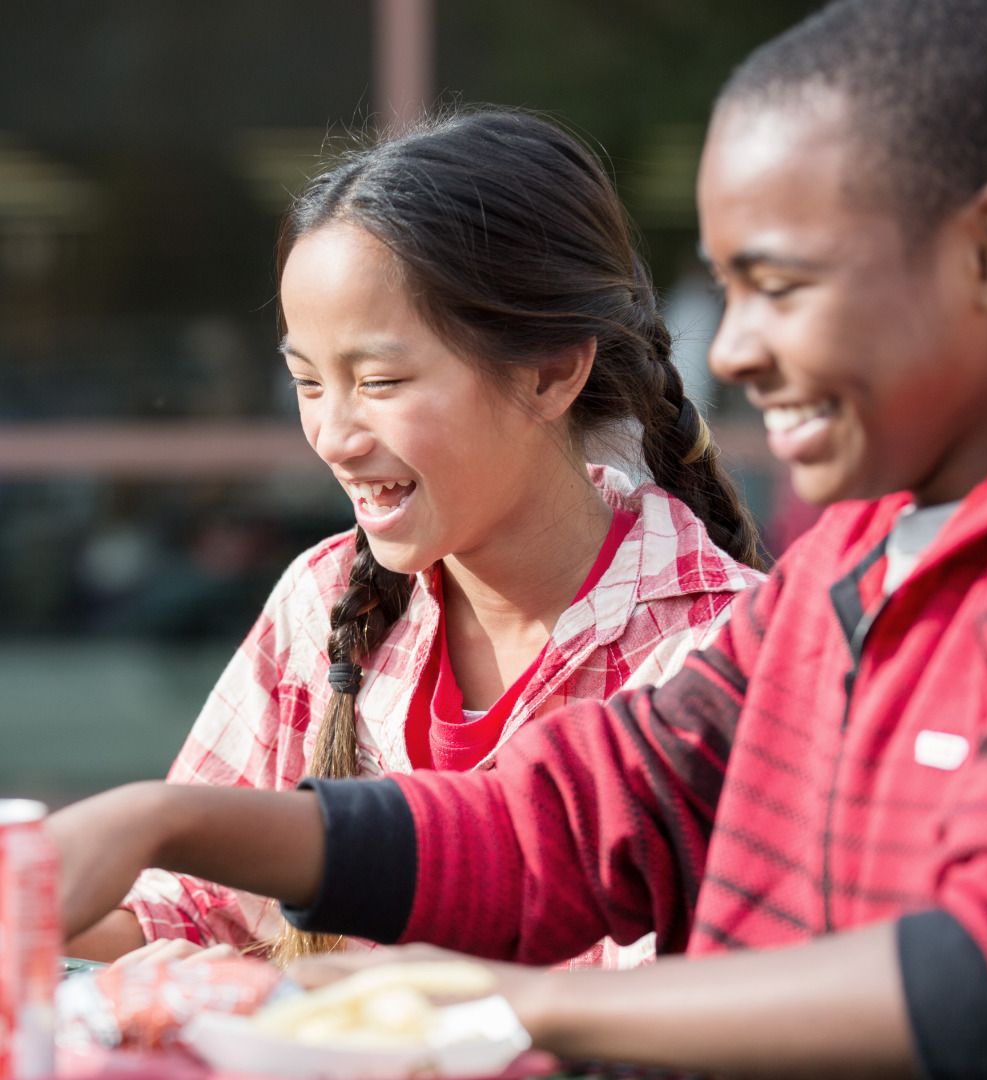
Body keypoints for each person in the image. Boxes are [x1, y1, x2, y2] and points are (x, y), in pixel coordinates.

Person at [51, 0, 987, 1073]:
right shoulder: (844, 571)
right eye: (727, 292)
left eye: (780, 287)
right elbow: (571, 819)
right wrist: (162, 821)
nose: (732, 349)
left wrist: (523, 1009)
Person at [64, 109, 765, 966]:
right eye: (307, 382)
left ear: (549, 371)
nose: (332, 434)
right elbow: (187, 911)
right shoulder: (324, 601)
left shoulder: (718, 651)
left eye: (381, 380)